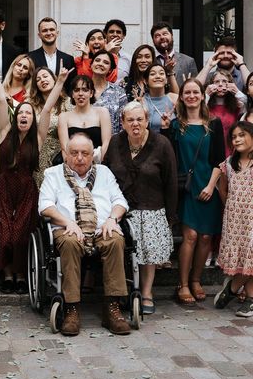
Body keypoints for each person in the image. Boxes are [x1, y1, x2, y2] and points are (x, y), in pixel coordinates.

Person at [0, 54, 68, 294]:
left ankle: (21, 274)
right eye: (21, 112)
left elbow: (49, 106)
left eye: (29, 114)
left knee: (20, 234)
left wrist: (60, 81)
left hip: (27, 189)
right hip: (3, 187)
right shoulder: (4, 132)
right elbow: (1, 99)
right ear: (16, 115)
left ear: (33, 120)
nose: (24, 116)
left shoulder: (38, 138)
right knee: (4, 234)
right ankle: (8, 274)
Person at [40, 133, 131, 336]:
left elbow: (120, 201)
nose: (79, 157)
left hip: (101, 228)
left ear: (92, 156)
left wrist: (112, 219)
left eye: (85, 153)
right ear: (66, 155)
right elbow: (45, 205)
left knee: (116, 238)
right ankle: (72, 309)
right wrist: (67, 222)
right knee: (71, 242)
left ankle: (112, 308)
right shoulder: (53, 174)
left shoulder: (104, 173)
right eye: (74, 153)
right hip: (67, 229)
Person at [104, 102, 177, 314]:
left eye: (139, 119)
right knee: (118, 248)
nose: (135, 124)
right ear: (122, 123)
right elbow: (106, 177)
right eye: (130, 120)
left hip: (152, 208)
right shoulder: (116, 142)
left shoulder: (162, 144)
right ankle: (123, 290)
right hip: (120, 210)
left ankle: (146, 293)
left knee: (148, 250)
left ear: (146, 120)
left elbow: (170, 182)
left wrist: (170, 217)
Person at [161, 78, 225, 306]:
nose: (191, 96)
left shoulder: (214, 124)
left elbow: (220, 160)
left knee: (206, 237)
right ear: (181, 97)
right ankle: (183, 284)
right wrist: (166, 129)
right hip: (186, 187)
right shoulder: (177, 125)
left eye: (195, 92)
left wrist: (211, 185)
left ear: (202, 95)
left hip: (208, 183)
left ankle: (197, 280)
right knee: (190, 236)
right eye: (186, 92)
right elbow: (169, 157)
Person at [214, 121, 253, 317]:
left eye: (242, 135)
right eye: (234, 137)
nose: (237, 139)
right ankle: (244, 295)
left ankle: (233, 289)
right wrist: (234, 206)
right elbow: (223, 190)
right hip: (236, 219)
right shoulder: (229, 164)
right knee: (244, 256)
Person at [28, 66, 71, 186]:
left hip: (60, 154)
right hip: (39, 154)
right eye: (38, 79)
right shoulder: (31, 105)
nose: (42, 80)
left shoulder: (67, 103)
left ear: (54, 79)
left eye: (45, 76)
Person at [58, 75, 112, 162]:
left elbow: (106, 143)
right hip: (72, 164)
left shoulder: (103, 113)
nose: (80, 94)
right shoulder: (63, 117)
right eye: (76, 90)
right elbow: (65, 148)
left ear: (91, 93)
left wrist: (98, 165)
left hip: (98, 162)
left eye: (85, 90)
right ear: (72, 94)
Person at [27, 17, 76, 91]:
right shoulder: (30, 57)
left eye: (52, 29)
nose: (49, 33)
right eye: (44, 30)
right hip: (38, 101)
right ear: (39, 35)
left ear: (57, 33)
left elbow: (72, 86)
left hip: (63, 101)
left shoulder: (68, 59)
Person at [205, 69, 245, 156]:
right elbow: (198, 108)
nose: (220, 84)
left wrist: (237, 92)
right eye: (216, 82)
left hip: (231, 150)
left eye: (224, 81)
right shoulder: (206, 105)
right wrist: (207, 94)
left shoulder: (237, 105)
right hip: (210, 150)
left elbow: (248, 104)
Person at [90, 50, 127, 134]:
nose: (100, 64)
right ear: (91, 64)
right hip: (85, 143)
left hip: (112, 142)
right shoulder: (82, 88)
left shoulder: (119, 92)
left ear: (110, 69)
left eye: (106, 62)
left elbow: (123, 122)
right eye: (97, 60)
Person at [150, 21, 198, 87]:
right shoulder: (149, 61)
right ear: (153, 40)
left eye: (165, 34)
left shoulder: (188, 62)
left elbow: (196, 88)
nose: (162, 37)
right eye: (157, 36)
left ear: (172, 36)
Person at [142, 64, 178, 131]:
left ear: (166, 80)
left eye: (161, 73)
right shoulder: (141, 102)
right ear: (146, 81)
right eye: (153, 74)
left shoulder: (174, 98)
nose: (158, 76)